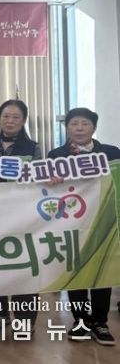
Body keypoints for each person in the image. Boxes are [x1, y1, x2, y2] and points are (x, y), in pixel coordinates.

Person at [48, 107, 119, 346]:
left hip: (103, 220)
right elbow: (46, 189)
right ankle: (80, 320)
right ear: (66, 128)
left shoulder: (111, 153)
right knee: (75, 271)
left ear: (94, 128)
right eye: (74, 123)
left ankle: (100, 322)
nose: (79, 128)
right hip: (71, 220)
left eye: (85, 123)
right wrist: (52, 181)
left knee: (102, 270)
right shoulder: (56, 155)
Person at [0, 100, 41, 325]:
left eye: (16, 117)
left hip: (22, 214)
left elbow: (36, 178)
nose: (10, 121)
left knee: (24, 264)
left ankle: (25, 317)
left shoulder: (33, 147)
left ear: (23, 120)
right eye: (5, 116)